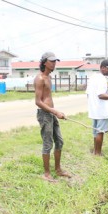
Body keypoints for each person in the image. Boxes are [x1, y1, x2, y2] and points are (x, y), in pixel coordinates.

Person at [34, 52, 71, 182]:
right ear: (44, 62)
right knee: (47, 144)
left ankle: (58, 169)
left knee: (59, 141)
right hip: (45, 115)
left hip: (51, 113)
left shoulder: (49, 77)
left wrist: (54, 112)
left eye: (55, 61)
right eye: (52, 61)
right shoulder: (40, 78)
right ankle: (46, 173)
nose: (54, 64)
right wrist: (55, 112)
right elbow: (38, 102)